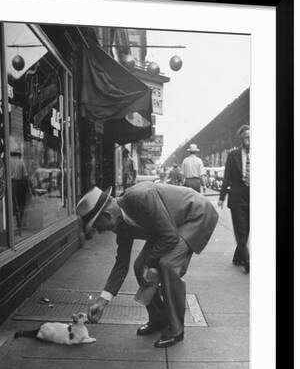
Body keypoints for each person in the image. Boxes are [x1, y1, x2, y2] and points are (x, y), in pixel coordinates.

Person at [76, 181, 218, 348]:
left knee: (168, 264)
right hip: (169, 227)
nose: (99, 231)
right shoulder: (120, 225)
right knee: (139, 266)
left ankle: (176, 329)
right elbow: (121, 265)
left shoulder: (142, 197)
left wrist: (149, 262)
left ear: (107, 215)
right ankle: (158, 319)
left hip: (195, 215)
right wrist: (102, 301)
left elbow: (170, 237)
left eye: (98, 226)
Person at [218, 125, 250, 274]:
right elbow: (227, 178)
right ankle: (247, 260)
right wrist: (221, 197)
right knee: (240, 229)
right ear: (241, 139)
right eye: (246, 137)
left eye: (251, 137)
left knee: (247, 229)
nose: (249, 140)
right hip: (237, 196)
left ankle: (238, 257)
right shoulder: (233, 155)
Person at [9, 150, 30, 227]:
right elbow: (25, 175)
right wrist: (28, 188)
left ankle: (10, 224)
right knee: (21, 204)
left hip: (9, 184)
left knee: (11, 204)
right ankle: (19, 223)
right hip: (19, 184)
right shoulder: (20, 162)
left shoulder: (8, 161)